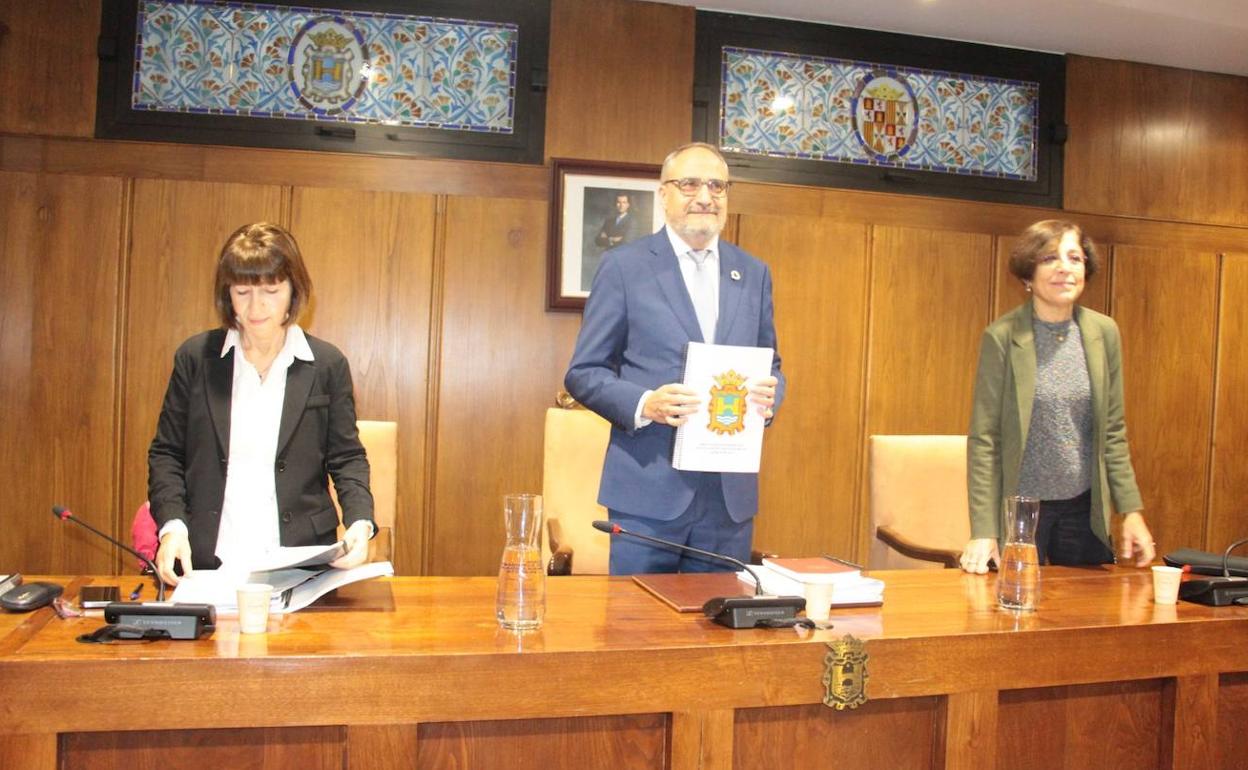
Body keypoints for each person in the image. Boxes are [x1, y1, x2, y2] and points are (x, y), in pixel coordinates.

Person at [565, 142, 784, 575]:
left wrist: (770, 397)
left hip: (728, 500)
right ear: (663, 194)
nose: (705, 196)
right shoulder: (624, 267)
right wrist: (646, 403)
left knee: (720, 634)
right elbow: (584, 372)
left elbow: (772, 363)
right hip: (647, 495)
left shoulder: (754, 273)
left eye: (717, 185)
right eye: (689, 184)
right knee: (637, 632)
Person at [148, 222, 375, 586]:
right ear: (227, 294)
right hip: (209, 561)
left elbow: (347, 456)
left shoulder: (327, 364)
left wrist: (360, 522)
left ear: (293, 291)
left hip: (300, 562)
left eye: (271, 290)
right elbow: (167, 453)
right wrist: (173, 527)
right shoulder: (196, 358)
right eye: (242, 292)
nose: (257, 307)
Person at [961, 219, 1155, 574]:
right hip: (1021, 508)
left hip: (1084, 507)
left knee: (1087, 618)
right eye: (1050, 258)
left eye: (1075, 258)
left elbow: (1112, 431)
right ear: (1028, 275)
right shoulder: (1002, 337)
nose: (1065, 268)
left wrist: (1131, 510)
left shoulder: (1103, 332)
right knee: (1013, 615)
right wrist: (984, 531)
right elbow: (985, 440)